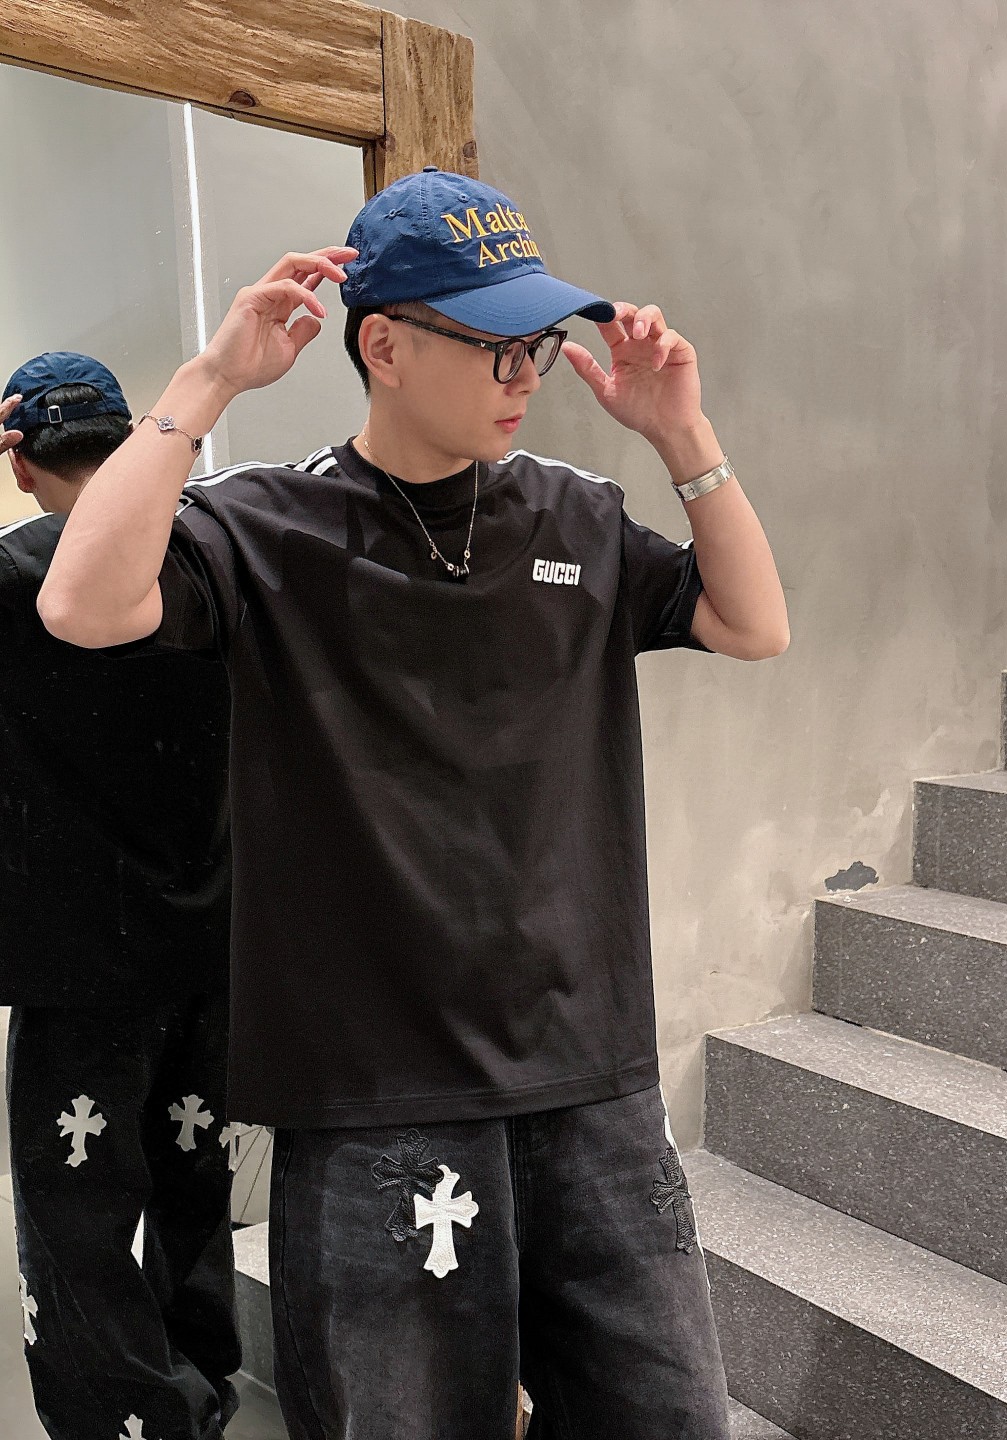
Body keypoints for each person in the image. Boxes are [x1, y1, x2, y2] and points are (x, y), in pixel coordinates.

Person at [38, 170, 790, 1440]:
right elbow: (81, 605)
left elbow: (753, 624)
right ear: (384, 347)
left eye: (536, 343)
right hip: (375, 1100)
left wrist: (683, 438)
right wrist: (209, 381)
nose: (524, 373)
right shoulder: (271, 525)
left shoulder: (576, 515)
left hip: (590, 1082)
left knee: (669, 1420)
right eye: (495, 344)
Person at [0, 354, 240, 1440]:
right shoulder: (206, 556)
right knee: (194, 1191)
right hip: (212, 943)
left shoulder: (14, 577)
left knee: (77, 1219)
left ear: (22, 463)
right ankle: (204, 1396)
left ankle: (128, 1425)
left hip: (77, 967)